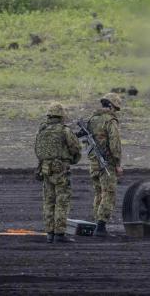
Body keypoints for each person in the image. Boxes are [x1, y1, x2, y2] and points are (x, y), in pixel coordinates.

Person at [35, 103, 81, 243]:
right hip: (60, 169)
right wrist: (71, 160)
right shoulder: (64, 130)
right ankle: (60, 234)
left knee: (49, 201)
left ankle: (50, 233)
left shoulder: (42, 130)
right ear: (61, 116)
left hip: (45, 169)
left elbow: (37, 150)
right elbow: (75, 149)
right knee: (62, 200)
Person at [86, 93, 123, 237]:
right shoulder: (110, 121)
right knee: (109, 194)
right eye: (115, 108)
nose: (115, 111)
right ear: (111, 105)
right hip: (107, 164)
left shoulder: (92, 119)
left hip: (94, 163)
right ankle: (101, 227)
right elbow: (115, 144)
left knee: (98, 193)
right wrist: (118, 163)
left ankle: (97, 225)